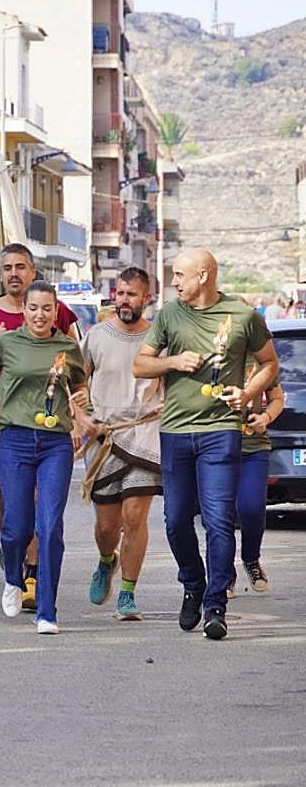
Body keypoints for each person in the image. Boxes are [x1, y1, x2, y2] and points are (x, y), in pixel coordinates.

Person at [134, 249, 278, 640]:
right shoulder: (169, 314)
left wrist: (247, 393)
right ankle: (193, 583)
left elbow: (270, 363)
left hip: (221, 431)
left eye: (180, 274)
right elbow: (141, 364)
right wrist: (173, 362)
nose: (175, 281)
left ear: (204, 275)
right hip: (176, 432)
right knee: (176, 520)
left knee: (218, 521)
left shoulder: (242, 316)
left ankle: (216, 604)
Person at [0, 243, 79, 610]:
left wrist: (81, 415)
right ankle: (13, 562)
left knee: (46, 518)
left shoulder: (63, 330)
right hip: (9, 428)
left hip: (53, 435)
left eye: (21, 267)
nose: (14, 273)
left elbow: (78, 378)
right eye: (8, 267)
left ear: (33, 272)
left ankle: (41, 591)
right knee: (13, 511)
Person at [77, 268, 163, 621]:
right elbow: (77, 379)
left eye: (132, 295)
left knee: (135, 516)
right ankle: (106, 560)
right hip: (105, 436)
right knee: (107, 526)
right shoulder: (96, 335)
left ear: (147, 299)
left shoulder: (159, 339)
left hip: (144, 433)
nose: (124, 300)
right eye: (120, 293)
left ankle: (127, 592)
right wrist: (83, 418)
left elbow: (170, 383)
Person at [232, 362, 283, 596]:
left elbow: (277, 398)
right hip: (215, 447)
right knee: (219, 515)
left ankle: (251, 558)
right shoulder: (212, 351)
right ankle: (222, 572)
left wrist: (266, 417)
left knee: (252, 508)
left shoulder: (262, 360)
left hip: (254, 447)